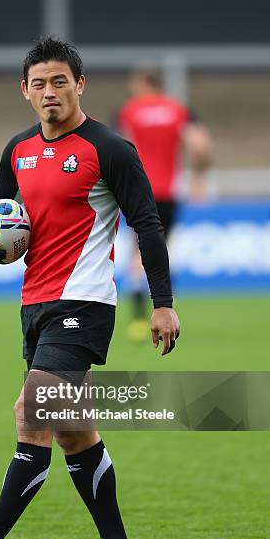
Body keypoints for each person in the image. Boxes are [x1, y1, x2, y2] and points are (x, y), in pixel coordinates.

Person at [0, 37, 180, 539]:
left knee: (32, 412)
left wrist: (162, 303)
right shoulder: (18, 149)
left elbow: (148, 224)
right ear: (25, 91)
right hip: (35, 302)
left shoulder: (109, 149)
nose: (50, 92)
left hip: (85, 302)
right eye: (39, 84)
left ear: (80, 84)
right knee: (73, 429)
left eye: (60, 81)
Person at [117, 67, 212, 341]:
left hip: (139, 190)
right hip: (169, 193)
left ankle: (136, 318)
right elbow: (201, 145)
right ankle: (166, 310)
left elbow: (119, 145)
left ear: (141, 83)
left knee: (138, 249)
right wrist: (198, 177)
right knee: (163, 248)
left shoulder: (129, 111)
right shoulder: (178, 110)